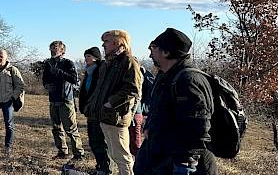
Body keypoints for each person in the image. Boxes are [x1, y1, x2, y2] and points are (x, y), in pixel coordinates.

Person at [134, 28, 217, 175]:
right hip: (160, 156)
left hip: (178, 162)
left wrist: (185, 165)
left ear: (166, 52)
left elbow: (198, 125)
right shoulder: (165, 76)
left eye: (153, 48)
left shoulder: (187, 80)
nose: (150, 54)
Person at [85, 30, 142, 175]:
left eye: (106, 41)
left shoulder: (128, 61)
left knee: (122, 157)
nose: (103, 45)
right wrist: (92, 106)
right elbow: (99, 89)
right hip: (105, 117)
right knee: (115, 155)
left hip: (116, 117)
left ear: (117, 43)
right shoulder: (108, 63)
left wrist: (110, 103)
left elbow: (133, 88)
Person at [42, 40, 84, 160]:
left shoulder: (68, 63)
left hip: (66, 100)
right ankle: (62, 152)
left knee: (70, 128)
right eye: (51, 48)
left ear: (62, 50)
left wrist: (59, 72)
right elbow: (44, 79)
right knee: (56, 128)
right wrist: (46, 86)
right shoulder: (48, 64)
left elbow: (75, 80)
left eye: (55, 48)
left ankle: (78, 154)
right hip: (53, 100)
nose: (52, 50)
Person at [79, 47, 111, 175]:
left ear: (96, 57)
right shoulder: (88, 72)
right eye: (85, 56)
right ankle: (100, 165)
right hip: (90, 110)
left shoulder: (101, 70)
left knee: (99, 140)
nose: (86, 59)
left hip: (99, 110)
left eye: (88, 56)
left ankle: (105, 167)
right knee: (92, 140)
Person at [129, 65, 155, 157]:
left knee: (136, 142)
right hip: (134, 112)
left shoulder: (137, 75)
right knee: (133, 141)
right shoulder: (140, 73)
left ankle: (138, 163)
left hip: (136, 112)